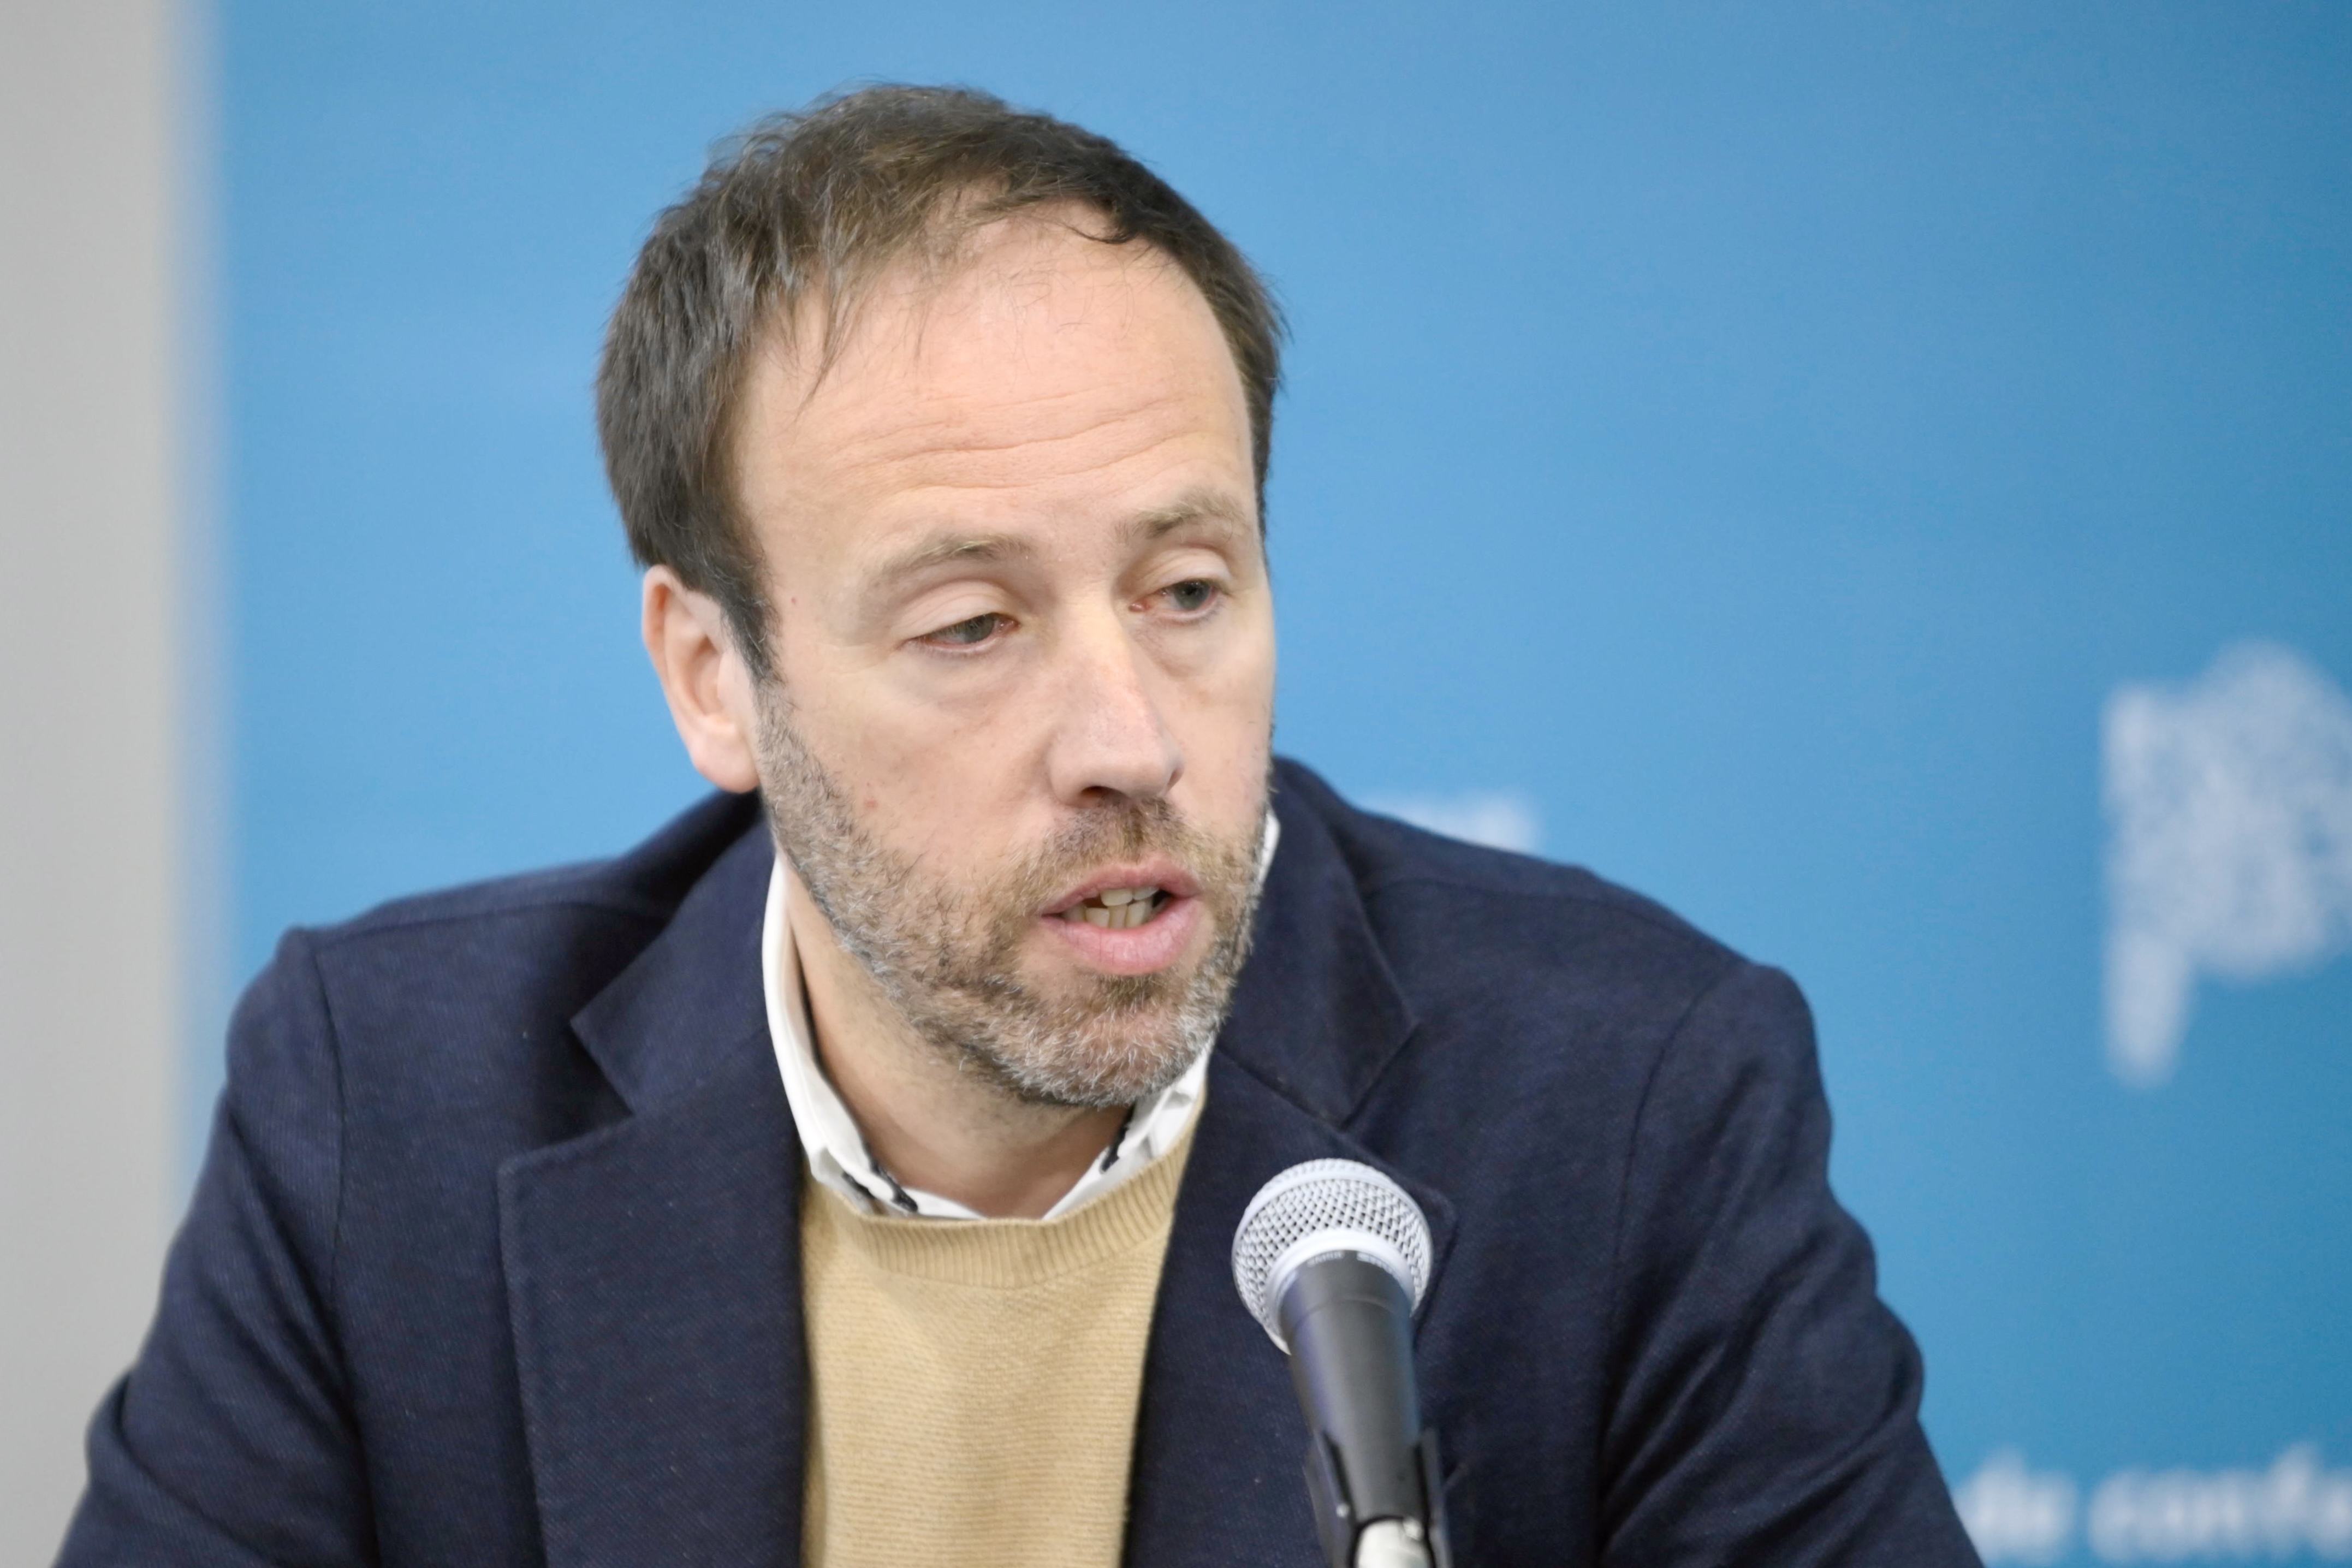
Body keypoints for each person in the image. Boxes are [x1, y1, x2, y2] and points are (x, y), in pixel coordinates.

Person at [58, 86, 1981, 1567]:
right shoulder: (388, 1106)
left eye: (1187, 591)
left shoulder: (1627, 1101)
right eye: (973, 626)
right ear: (715, 676)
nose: (1129, 741)